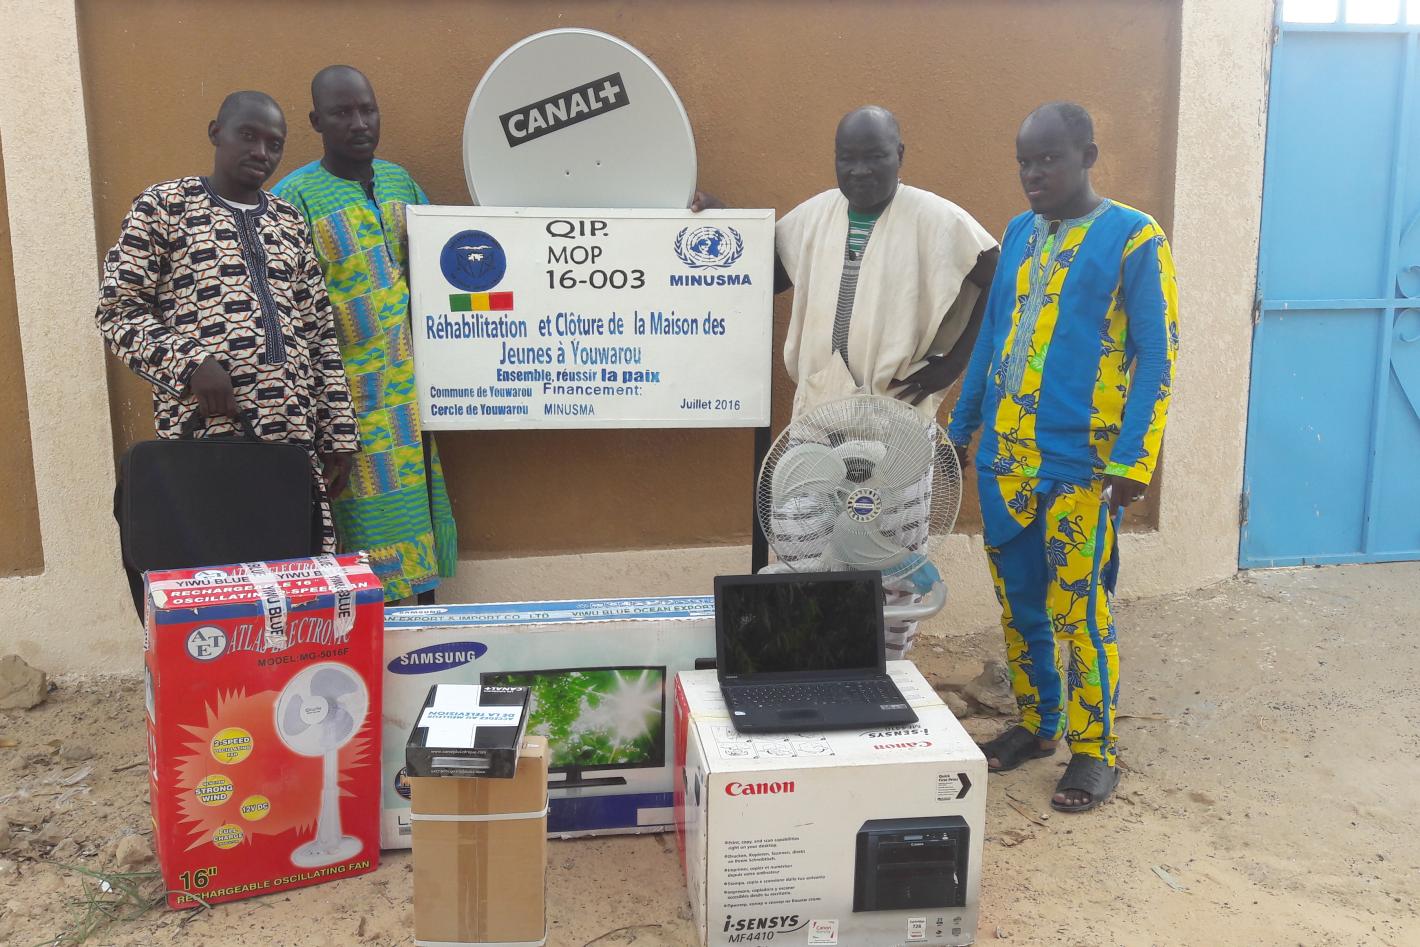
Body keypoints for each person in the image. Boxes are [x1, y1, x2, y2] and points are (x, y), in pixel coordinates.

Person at [696, 106, 998, 658]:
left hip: (897, 418)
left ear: (899, 156)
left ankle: (891, 665)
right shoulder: (815, 216)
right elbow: (767, 274)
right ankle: (821, 660)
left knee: (894, 560)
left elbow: (997, 276)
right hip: (819, 413)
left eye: (874, 156)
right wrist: (724, 223)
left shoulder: (936, 218)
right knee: (802, 547)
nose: (859, 171)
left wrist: (952, 365)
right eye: (847, 158)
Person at [946, 102, 1179, 813]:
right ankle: (1037, 723)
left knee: (1080, 610)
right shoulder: (1019, 232)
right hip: (1005, 461)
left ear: (1088, 156)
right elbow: (992, 336)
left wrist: (1135, 460)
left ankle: (1094, 748)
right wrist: (961, 426)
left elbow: (1158, 353)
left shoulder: (1135, 238)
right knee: (1019, 605)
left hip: (1082, 466)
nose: (1033, 174)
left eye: (1048, 159)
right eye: (1024, 161)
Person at [96, 91, 360, 607]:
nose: (261, 151)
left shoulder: (288, 221)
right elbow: (118, 310)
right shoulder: (164, 206)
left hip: (291, 446)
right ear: (216, 132)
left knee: (289, 594)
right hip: (206, 441)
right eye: (248, 135)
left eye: (274, 143)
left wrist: (339, 435)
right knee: (213, 597)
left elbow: (319, 335)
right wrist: (191, 364)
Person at [273, 65, 456, 604]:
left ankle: (421, 639)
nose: (358, 123)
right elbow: (284, 308)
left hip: (410, 398)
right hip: (346, 404)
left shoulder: (400, 183)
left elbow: (445, 264)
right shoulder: (295, 197)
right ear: (316, 121)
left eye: (367, 109)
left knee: (416, 529)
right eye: (342, 112)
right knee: (360, 550)